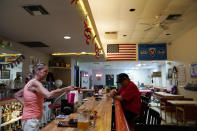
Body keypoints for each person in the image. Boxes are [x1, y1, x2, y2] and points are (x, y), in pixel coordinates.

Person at [13, 63, 75, 131]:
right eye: (45, 71)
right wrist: (65, 89)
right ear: (37, 71)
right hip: (31, 120)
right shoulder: (35, 83)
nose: (47, 73)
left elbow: (16, 95)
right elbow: (49, 95)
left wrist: (27, 105)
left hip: (32, 118)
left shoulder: (31, 83)